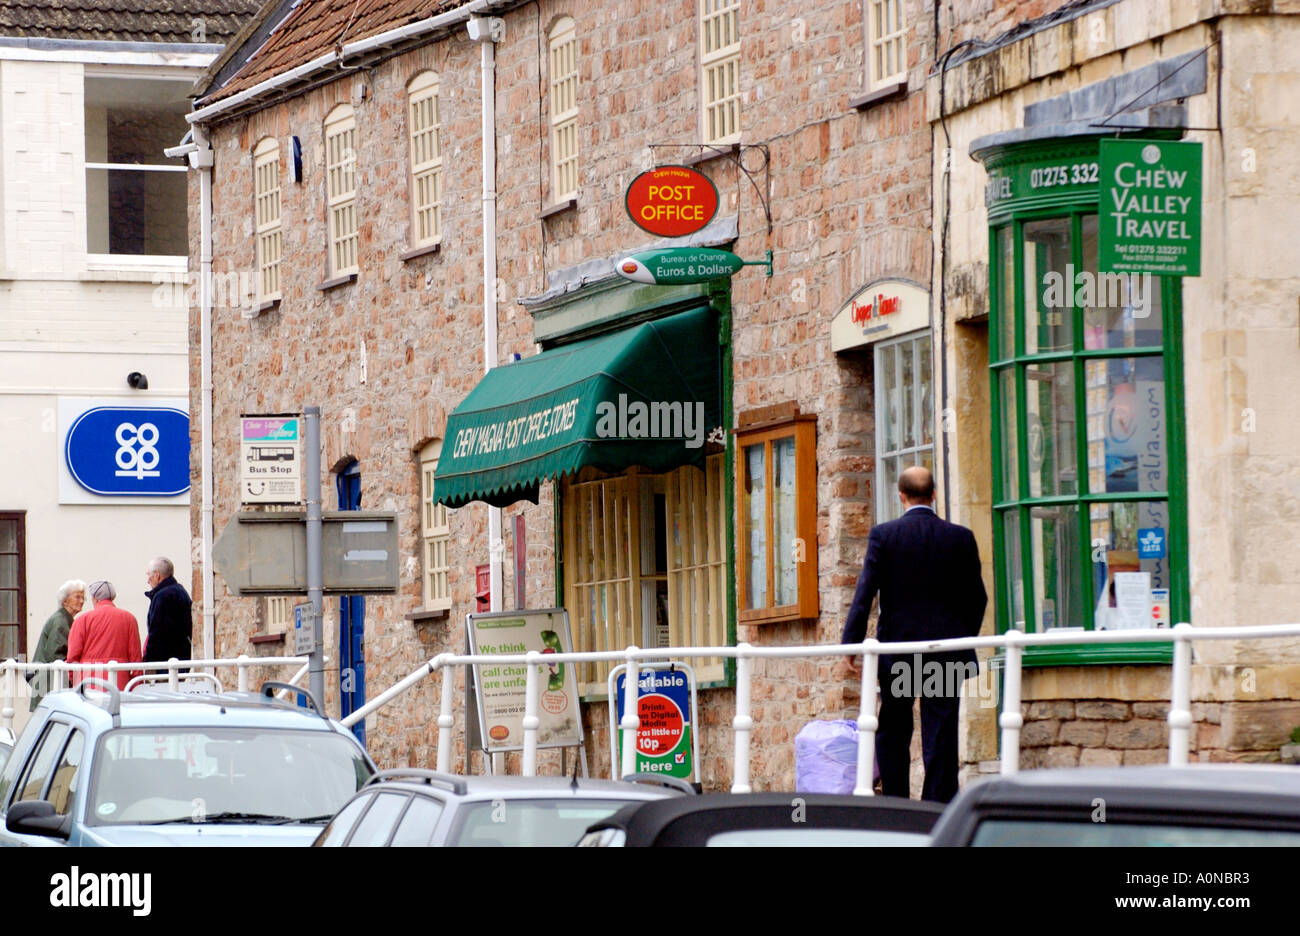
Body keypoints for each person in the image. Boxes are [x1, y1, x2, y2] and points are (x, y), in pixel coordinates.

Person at [838, 466, 987, 803]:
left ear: (900, 495)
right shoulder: (960, 537)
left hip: (900, 653)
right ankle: (936, 807)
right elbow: (977, 598)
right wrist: (962, 638)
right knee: (941, 732)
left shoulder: (884, 536)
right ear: (934, 495)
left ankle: (896, 804)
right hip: (944, 652)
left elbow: (865, 594)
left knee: (894, 729)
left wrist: (851, 643)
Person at [67, 580, 142, 691]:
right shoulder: (129, 619)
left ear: (95, 599)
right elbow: (136, 659)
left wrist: (75, 682)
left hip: (89, 684)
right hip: (120, 684)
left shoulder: (82, 620)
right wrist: (135, 686)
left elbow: (72, 657)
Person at [28, 579, 86, 709]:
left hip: (49, 682)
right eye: (77, 597)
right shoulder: (61, 621)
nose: (81, 601)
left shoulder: (65, 619)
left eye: (83, 598)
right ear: (64, 601)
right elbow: (56, 655)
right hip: (49, 683)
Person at [143, 557, 192, 665]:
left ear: (157, 575)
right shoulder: (180, 591)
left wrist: (149, 662)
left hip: (166, 662)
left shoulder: (163, 597)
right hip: (181, 658)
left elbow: (157, 633)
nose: (147, 580)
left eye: (148, 575)